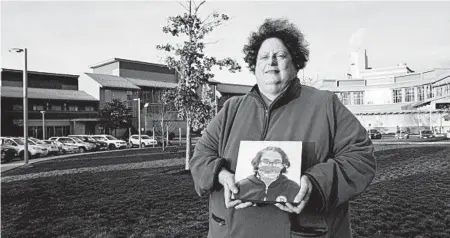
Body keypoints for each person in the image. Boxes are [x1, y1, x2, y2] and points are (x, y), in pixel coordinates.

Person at [190, 18, 376, 238]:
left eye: (280, 55)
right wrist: (220, 174)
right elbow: (201, 157)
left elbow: (361, 158)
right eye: (264, 57)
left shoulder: (324, 105)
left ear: (295, 63)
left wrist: (315, 183)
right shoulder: (231, 109)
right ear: (254, 65)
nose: (271, 62)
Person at [234, 146, 300, 203]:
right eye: (266, 161)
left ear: (283, 165)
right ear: (257, 163)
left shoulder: (293, 188)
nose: (270, 166)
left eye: (277, 162)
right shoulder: (241, 186)